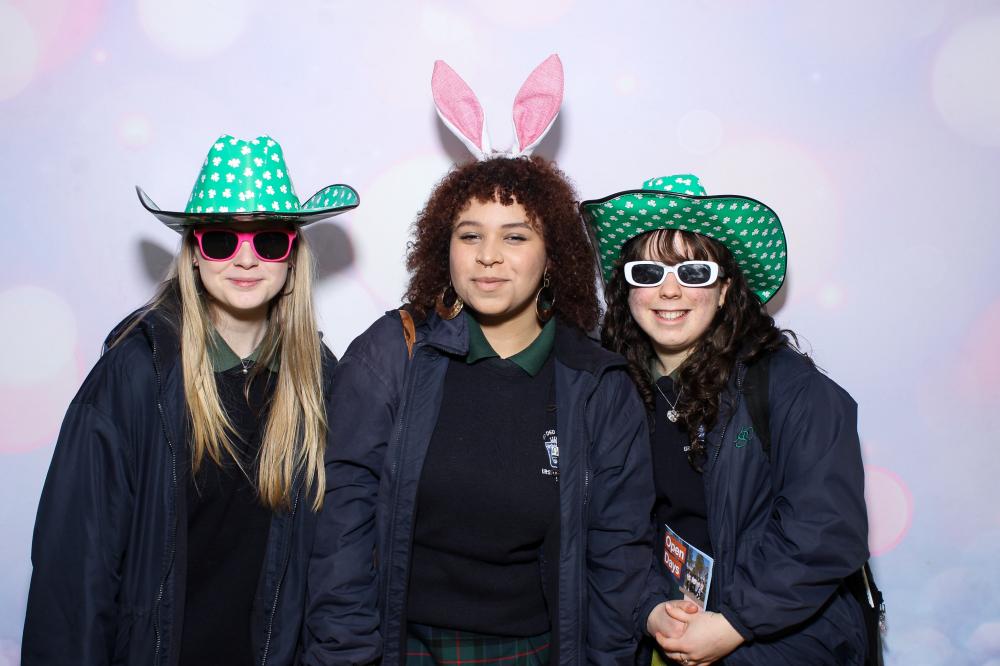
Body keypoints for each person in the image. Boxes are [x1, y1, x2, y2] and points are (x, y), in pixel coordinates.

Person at [302, 148, 654, 664]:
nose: (488, 256)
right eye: (470, 236)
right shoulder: (391, 354)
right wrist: (344, 656)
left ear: (552, 255)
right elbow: (340, 531)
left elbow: (617, 558)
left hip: (533, 652)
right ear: (444, 248)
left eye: (515, 237)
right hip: (400, 649)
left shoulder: (598, 385)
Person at [22, 134, 358, 666]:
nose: (245, 259)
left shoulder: (319, 384)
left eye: (269, 241)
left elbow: (336, 568)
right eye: (221, 239)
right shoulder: (134, 378)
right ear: (194, 254)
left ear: (292, 256)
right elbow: (73, 579)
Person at [584, 174, 870, 665]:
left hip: (780, 642)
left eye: (693, 272)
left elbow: (824, 528)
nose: (668, 290)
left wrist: (734, 623)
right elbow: (613, 529)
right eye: (648, 273)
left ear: (723, 290)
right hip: (671, 630)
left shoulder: (790, 388)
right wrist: (650, 609)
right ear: (627, 291)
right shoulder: (614, 390)